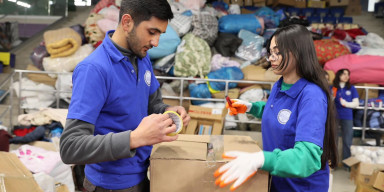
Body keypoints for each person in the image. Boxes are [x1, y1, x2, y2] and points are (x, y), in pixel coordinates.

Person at [59, 0, 190, 191]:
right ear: (127, 22)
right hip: (110, 186)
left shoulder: (142, 58)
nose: (156, 43)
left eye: (160, 34)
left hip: (144, 173)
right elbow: (70, 147)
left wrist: (168, 111)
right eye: (152, 32)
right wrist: (135, 138)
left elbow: (152, 105)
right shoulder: (94, 70)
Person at [214, 24, 338, 192]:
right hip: (277, 182)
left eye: (277, 52)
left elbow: (307, 158)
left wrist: (261, 159)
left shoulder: (312, 96)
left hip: (301, 187)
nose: (271, 58)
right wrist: (250, 107)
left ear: (298, 52)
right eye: (270, 53)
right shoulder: (280, 85)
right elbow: (279, 113)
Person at [332, 69, 359, 163]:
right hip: (334, 117)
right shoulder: (333, 87)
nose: (346, 76)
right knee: (333, 140)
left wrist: (346, 103)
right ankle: (333, 164)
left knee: (347, 141)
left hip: (347, 117)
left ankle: (346, 164)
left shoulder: (351, 88)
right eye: (344, 74)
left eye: (348, 74)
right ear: (338, 75)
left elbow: (356, 103)